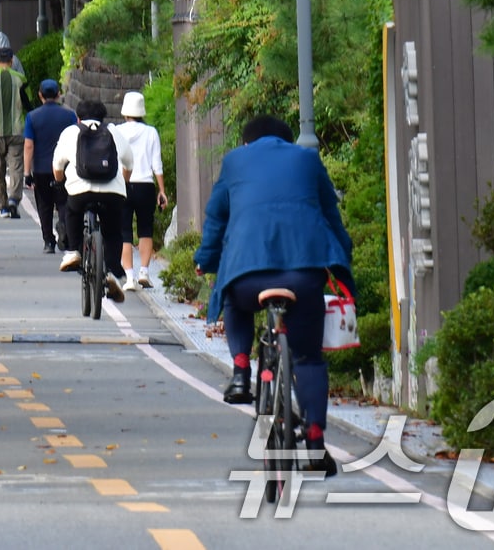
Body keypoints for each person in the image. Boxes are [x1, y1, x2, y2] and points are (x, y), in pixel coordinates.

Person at [193, 114, 354, 478]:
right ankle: (315, 442)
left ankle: (240, 372)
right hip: (303, 273)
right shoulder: (308, 159)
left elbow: (216, 218)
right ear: (288, 142)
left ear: (246, 142)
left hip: (247, 275)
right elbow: (332, 217)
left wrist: (206, 260)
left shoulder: (234, 161)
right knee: (309, 358)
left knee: (233, 299)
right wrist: (344, 259)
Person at [52, 99, 133, 303]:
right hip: (112, 192)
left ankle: (73, 252)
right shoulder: (113, 132)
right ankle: (112, 273)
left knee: (72, 212)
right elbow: (129, 162)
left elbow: (57, 166)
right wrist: (124, 182)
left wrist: (59, 182)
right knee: (113, 231)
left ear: (78, 117)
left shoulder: (70, 132)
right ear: (103, 117)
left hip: (80, 191)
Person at [114, 91, 170, 292]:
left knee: (124, 232)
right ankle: (144, 272)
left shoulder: (117, 131)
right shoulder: (151, 132)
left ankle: (129, 277)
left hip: (123, 184)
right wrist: (162, 190)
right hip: (146, 185)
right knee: (146, 229)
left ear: (125, 111)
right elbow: (157, 164)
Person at [22, 79, 76, 254]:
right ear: (58, 94)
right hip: (64, 168)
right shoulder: (69, 116)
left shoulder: (32, 117)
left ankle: (48, 241)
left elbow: (29, 145)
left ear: (40, 95)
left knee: (44, 205)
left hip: (41, 168)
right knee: (64, 202)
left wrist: (27, 172)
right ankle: (65, 232)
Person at [0, 46, 32, 218]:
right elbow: (28, 104)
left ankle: (3, 206)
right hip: (17, 130)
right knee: (16, 166)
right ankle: (14, 199)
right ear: (11, 61)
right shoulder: (21, 79)